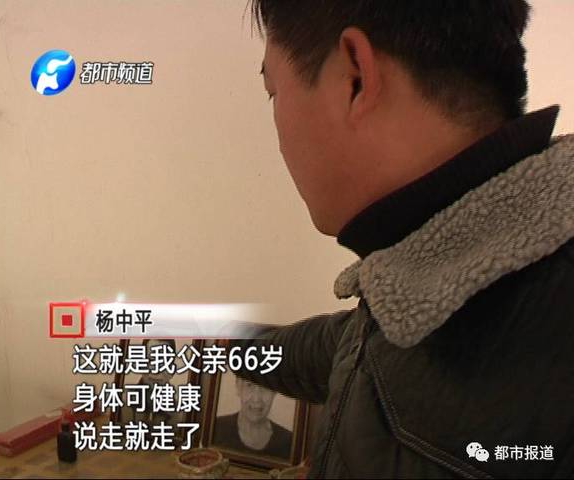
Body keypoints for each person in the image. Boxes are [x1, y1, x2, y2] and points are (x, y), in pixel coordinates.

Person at [230, 1, 574, 478]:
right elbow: (345, 345)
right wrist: (223, 344)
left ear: (355, 77)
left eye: (273, 92)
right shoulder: (431, 283)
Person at [212, 377, 292, 459]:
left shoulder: (289, 442)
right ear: (238, 387)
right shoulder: (214, 429)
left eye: (265, 387)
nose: (256, 399)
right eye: (249, 385)